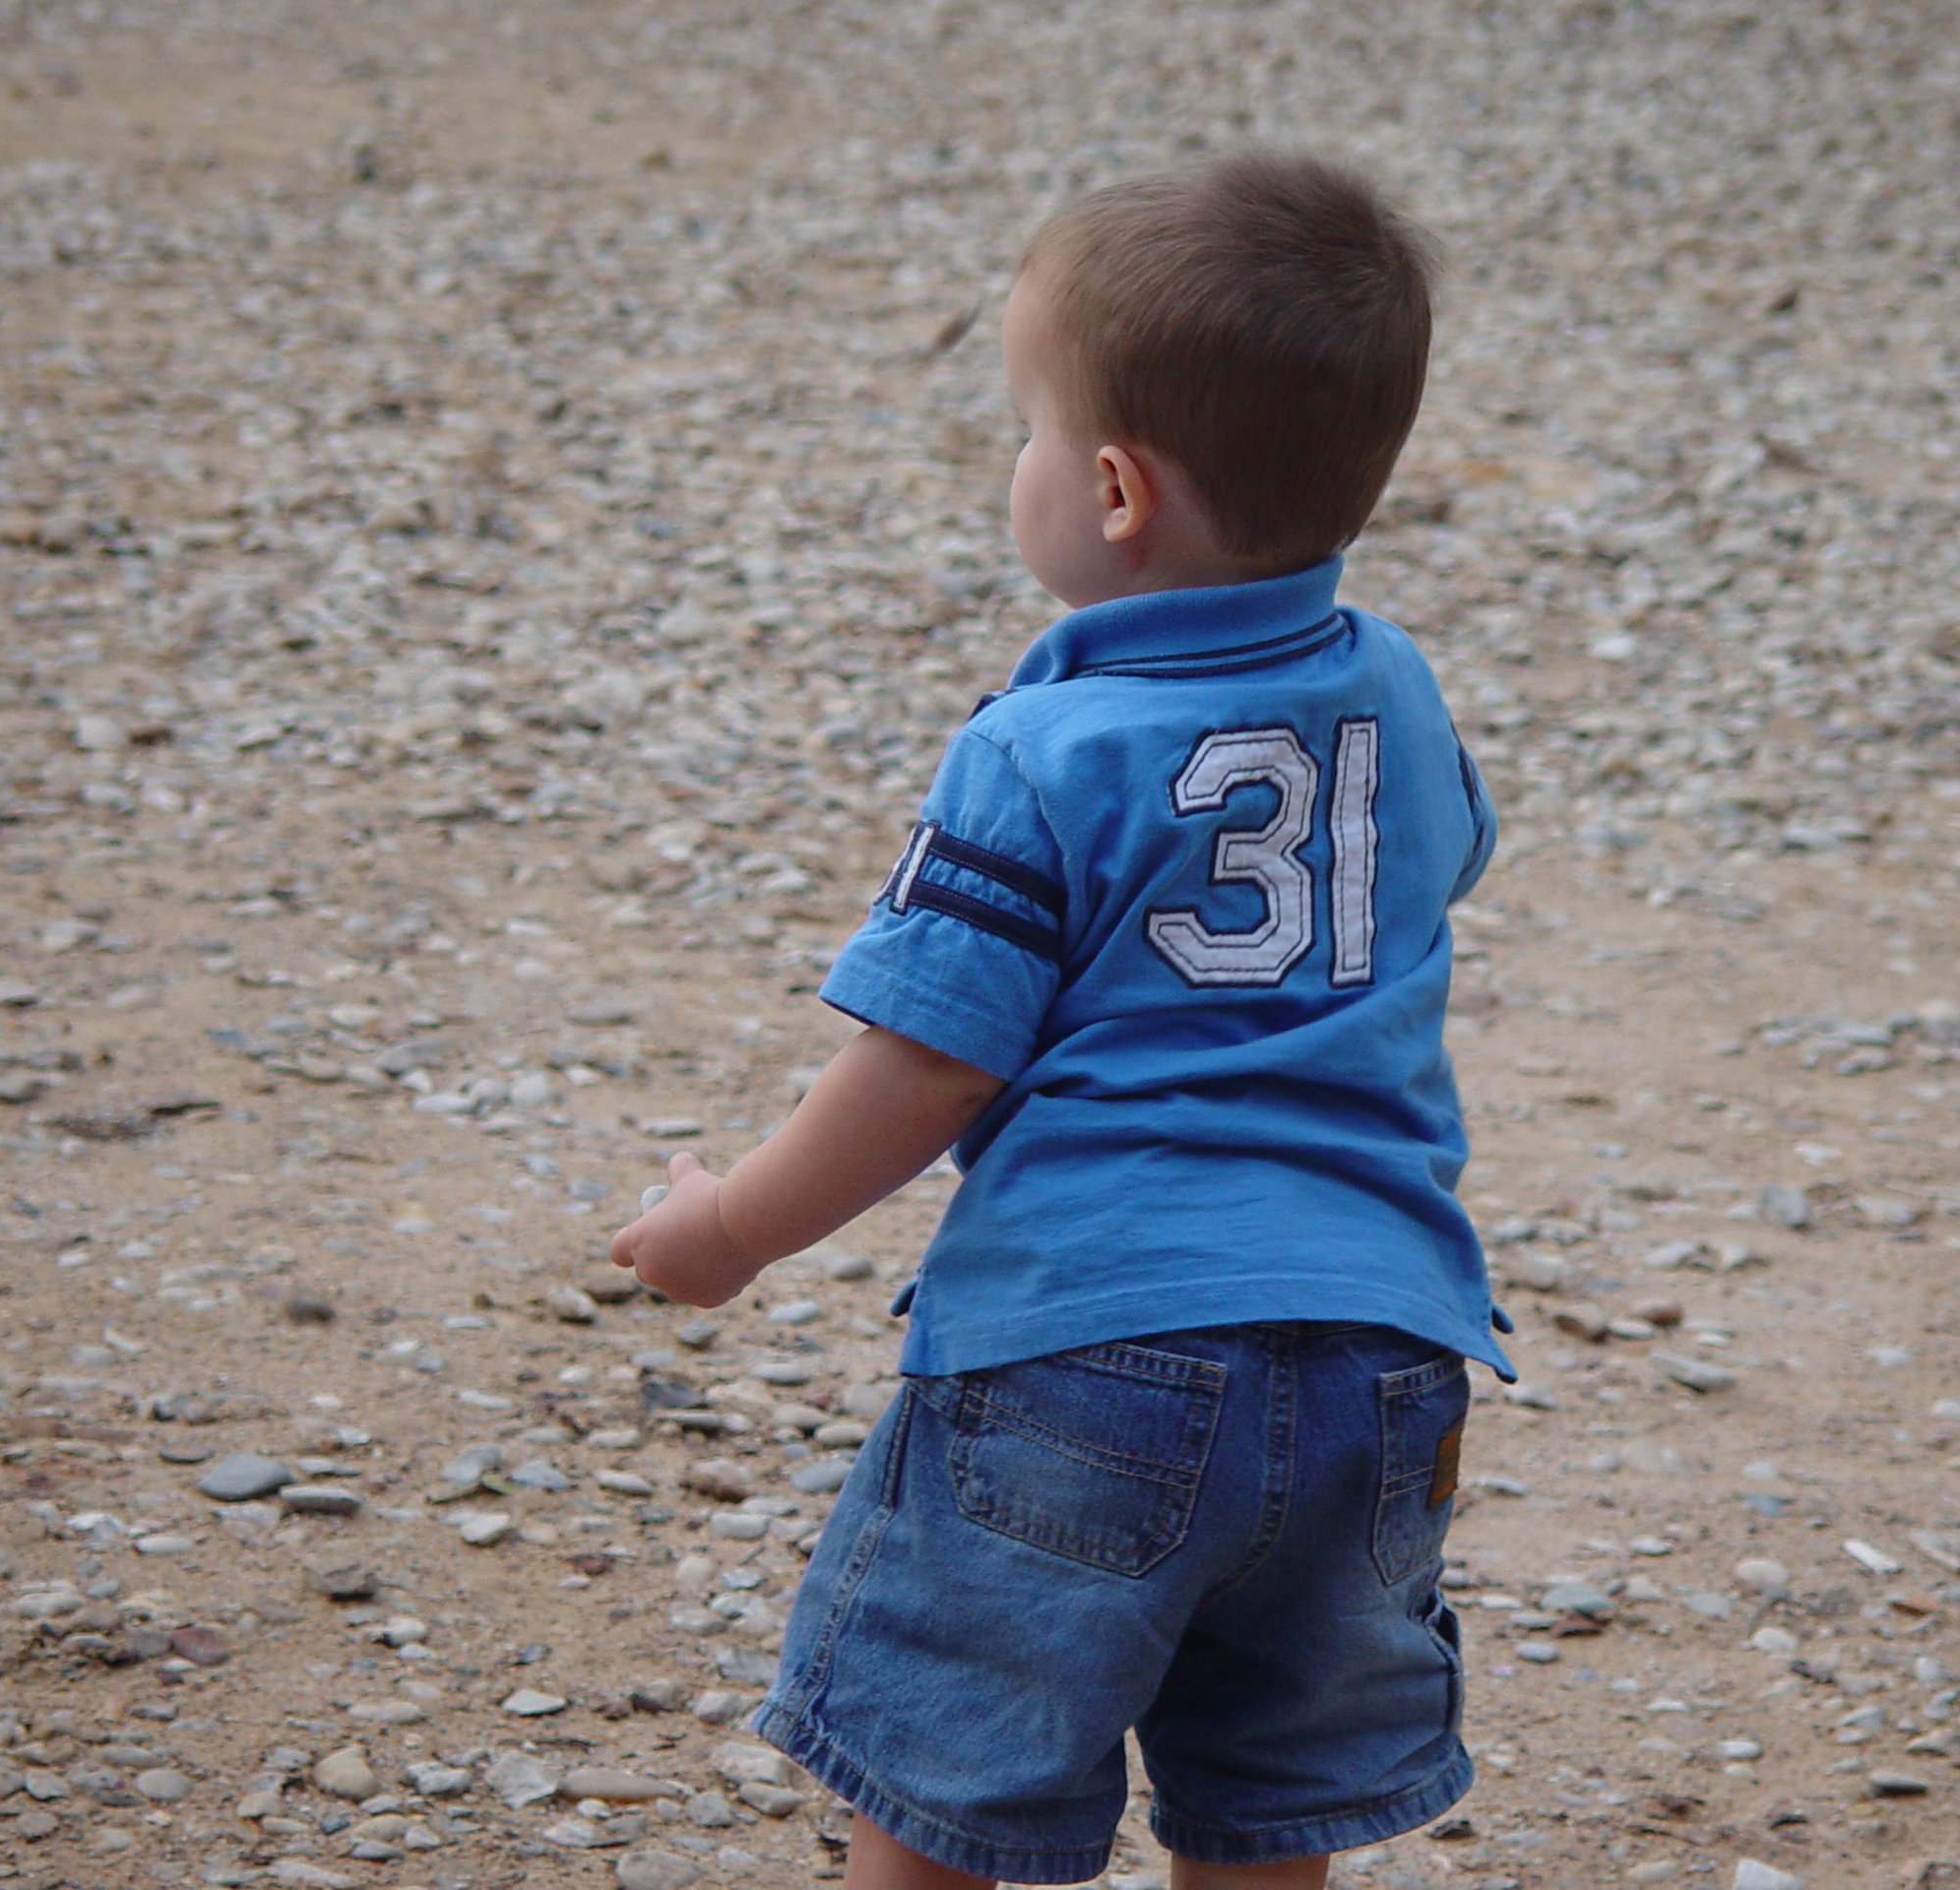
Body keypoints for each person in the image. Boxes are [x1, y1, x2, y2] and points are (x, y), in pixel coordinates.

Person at [610, 148, 1515, 1890]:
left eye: (1022, 429)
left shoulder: (1037, 752)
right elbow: (1447, 860)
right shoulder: (1397, 688)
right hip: (1383, 1351)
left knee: (952, 1781)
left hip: (1086, 1353)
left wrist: (729, 1225)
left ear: (1110, 489)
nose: (1012, 466)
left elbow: (933, 1055)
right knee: (1270, 1807)